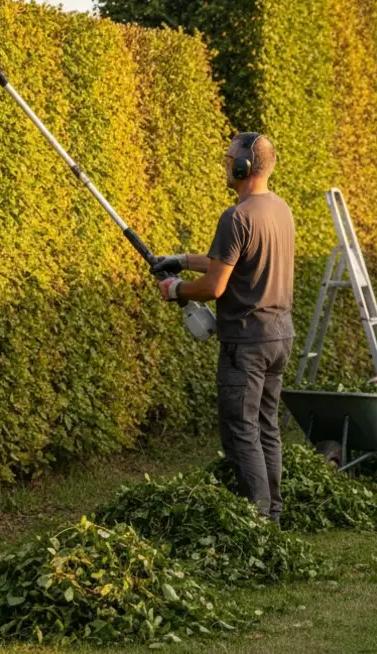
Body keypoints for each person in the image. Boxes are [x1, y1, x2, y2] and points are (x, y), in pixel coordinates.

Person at [151, 132, 296, 523]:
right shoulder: (280, 210)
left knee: (242, 430)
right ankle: (275, 515)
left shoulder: (236, 216)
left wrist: (175, 288)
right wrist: (180, 259)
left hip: (246, 343)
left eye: (229, 158)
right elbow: (233, 260)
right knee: (267, 427)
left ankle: (257, 522)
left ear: (243, 167)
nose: (225, 164)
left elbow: (215, 286)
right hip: (279, 335)